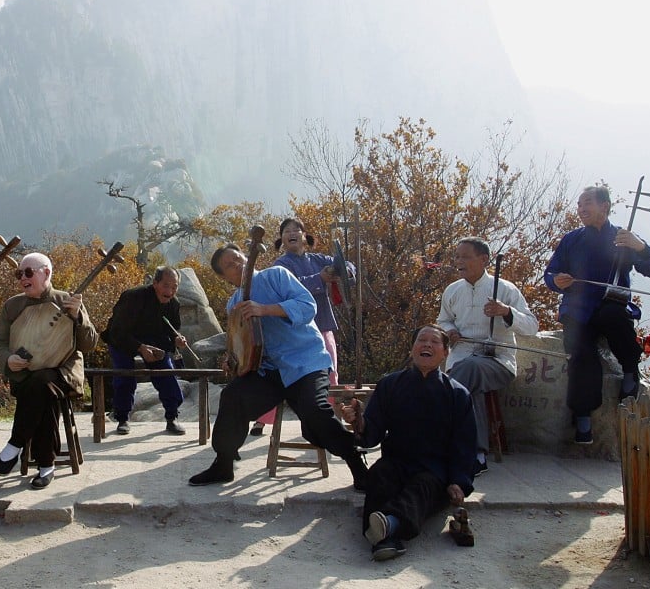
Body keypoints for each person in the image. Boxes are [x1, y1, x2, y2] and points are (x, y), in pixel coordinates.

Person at [188, 243, 367, 488]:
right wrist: (233, 360)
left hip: (306, 362)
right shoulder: (234, 304)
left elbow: (307, 306)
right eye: (229, 265)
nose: (238, 264)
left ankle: (356, 461)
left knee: (315, 412)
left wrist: (265, 309)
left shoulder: (276, 275)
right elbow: (242, 345)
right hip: (270, 371)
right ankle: (223, 463)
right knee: (233, 396)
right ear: (224, 277)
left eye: (238, 258)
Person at [341, 325, 477, 561]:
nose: (426, 345)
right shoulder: (390, 385)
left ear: (445, 352)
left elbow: (464, 445)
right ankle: (387, 534)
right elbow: (372, 433)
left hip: (434, 470)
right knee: (380, 475)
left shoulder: (457, 394)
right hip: (397, 461)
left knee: (422, 487)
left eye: (434, 342)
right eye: (421, 340)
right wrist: (358, 422)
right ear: (412, 349)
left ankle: (387, 528)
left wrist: (459, 480)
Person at [544, 185, 650, 444]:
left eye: (587, 203)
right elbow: (550, 274)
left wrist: (640, 246)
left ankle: (630, 370)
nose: (581, 209)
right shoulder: (571, 239)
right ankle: (583, 416)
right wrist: (558, 281)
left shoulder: (623, 237)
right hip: (577, 307)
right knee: (580, 352)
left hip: (611, 304)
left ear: (605, 206)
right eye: (579, 204)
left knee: (615, 317)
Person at [0, 252, 98, 489]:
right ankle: (46, 466)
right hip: (26, 374)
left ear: (46, 273)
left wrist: (79, 317)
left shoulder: (67, 300)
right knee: (42, 389)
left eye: (28, 273)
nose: (22, 279)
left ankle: (15, 445)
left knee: (43, 382)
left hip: (64, 371)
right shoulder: (13, 306)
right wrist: (8, 360)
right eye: (19, 274)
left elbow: (89, 344)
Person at [437, 237, 537, 475]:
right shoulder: (452, 290)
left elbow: (532, 326)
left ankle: (441, 434)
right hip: (461, 359)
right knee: (471, 387)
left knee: (467, 372)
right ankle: (477, 454)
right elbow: (443, 319)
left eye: (465, 257)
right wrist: (450, 331)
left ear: (483, 260)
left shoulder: (505, 289)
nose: (459, 262)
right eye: (457, 257)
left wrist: (506, 311)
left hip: (498, 361)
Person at [250, 217, 353, 436]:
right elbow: (291, 289)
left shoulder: (318, 259)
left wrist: (344, 270)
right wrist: (320, 278)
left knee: (330, 372)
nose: (292, 233)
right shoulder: (280, 267)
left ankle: (333, 416)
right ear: (282, 239)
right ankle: (263, 418)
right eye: (287, 230)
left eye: (296, 229)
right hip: (293, 332)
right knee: (283, 375)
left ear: (305, 236)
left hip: (323, 324)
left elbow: (343, 264)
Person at [101, 266, 187, 436]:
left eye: (174, 286)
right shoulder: (133, 297)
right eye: (166, 285)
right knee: (125, 374)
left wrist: (176, 340)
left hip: (154, 341)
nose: (170, 291)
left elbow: (172, 330)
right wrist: (139, 347)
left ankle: (172, 416)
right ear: (155, 283)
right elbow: (117, 331)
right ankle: (123, 418)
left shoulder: (173, 304)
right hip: (122, 339)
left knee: (166, 373)